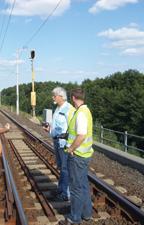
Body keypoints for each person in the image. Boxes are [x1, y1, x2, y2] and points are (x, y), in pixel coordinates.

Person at [58, 87, 94, 225]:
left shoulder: (80, 114)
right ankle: (86, 214)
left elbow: (81, 136)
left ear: (73, 98)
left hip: (78, 156)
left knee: (76, 188)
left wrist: (70, 149)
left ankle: (74, 219)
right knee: (83, 184)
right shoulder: (85, 111)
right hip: (84, 155)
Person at [43, 87, 75, 202]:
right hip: (56, 141)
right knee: (61, 167)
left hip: (64, 143)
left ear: (61, 96)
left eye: (54, 95)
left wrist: (70, 146)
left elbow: (72, 128)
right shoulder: (58, 108)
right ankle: (61, 188)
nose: (53, 97)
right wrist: (49, 129)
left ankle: (67, 193)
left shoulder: (69, 109)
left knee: (66, 168)